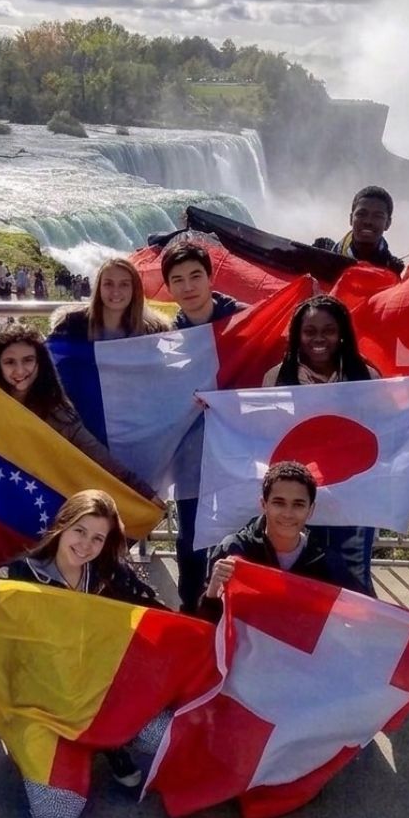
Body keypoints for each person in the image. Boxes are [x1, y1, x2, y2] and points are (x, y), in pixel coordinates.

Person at [3, 490, 167, 818]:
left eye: (97, 538)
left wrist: (213, 596)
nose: (85, 544)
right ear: (62, 525)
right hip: (40, 704)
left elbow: (163, 617)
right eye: (79, 530)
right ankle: (47, 750)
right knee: (55, 816)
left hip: (97, 693)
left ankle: (109, 742)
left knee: (163, 733)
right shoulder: (20, 574)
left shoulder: (109, 574)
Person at [261, 295, 381, 593]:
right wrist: (215, 409)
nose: (319, 338)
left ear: (341, 333)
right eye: (309, 331)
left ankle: (355, 637)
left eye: (328, 330)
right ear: (297, 335)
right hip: (299, 498)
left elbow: (387, 427)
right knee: (301, 573)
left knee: (353, 575)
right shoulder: (276, 378)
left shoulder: (366, 376)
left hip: (352, 497)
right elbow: (261, 432)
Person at [0, 325, 160, 504]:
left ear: (40, 362)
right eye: (10, 362)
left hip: (34, 505)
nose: (20, 370)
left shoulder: (58, 414)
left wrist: (145, 494)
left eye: (28, 360)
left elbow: (100, 457)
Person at [160, 239, 248, 611]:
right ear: (169, 287)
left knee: (240, 536)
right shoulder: (166, 336)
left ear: (211, 278)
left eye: (196, 276)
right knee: (192, 540)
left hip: (241, 451)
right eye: (178, 280)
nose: (188, 287)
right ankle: (192, 614)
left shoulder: (245, 320)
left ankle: (241, 614)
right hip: (191, 454)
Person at [199, 462, 373, 622]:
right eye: (279, 503)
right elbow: (209, 624)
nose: (288, 514)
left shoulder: (328, 563)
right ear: (263, 504)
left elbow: (356, 619)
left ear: (310, 510)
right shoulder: (235, 550)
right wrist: (212, 591)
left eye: (298, 505)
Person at [50, 257, 172, 340]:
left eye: (124, 284)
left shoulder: (155, 331)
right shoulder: (71, 325)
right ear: (99, 288)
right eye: (108, 284)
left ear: (135, 289)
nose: (116, 292)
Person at [313, 185, 405, 275]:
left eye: (378, 216)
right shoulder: (323, 258)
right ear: (351, 219)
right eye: (361, 214)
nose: (368, 221)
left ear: (388, 223)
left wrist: (394, 276)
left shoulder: (392, 271)